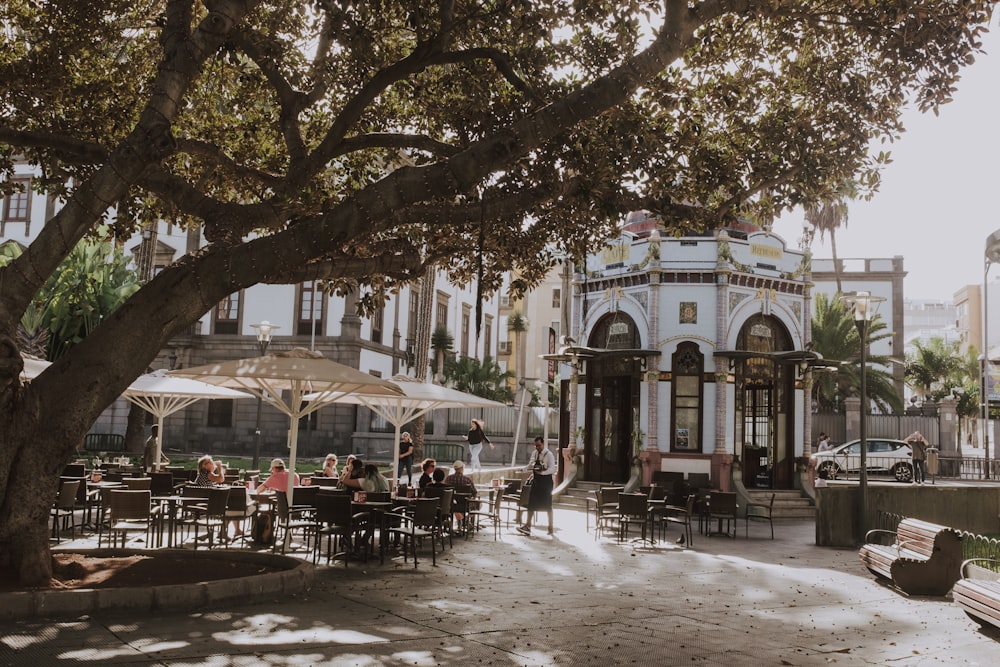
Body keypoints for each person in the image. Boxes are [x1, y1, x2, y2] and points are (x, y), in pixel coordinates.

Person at [518, 436, 555, 536]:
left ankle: (550, 527)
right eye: (536, 446)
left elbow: (552, 469)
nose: (537, 447)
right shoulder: (535, 453)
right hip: (536, 481)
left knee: (547, 505)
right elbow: (531, 464)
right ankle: (527, 525)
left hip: (546, 483)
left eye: (539, 445)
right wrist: (524, 469)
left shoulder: (549, 455)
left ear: (543, 444)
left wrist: (542, 473)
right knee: (531, 502)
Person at [443, 460, 477, 528]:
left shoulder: (448, 479)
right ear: (461, 468)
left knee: (457, 504)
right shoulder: (467, 479)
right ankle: (466, 520)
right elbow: (474, 493)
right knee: (478, 504)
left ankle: (461, 519)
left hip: (452, 505)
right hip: (465, 505)